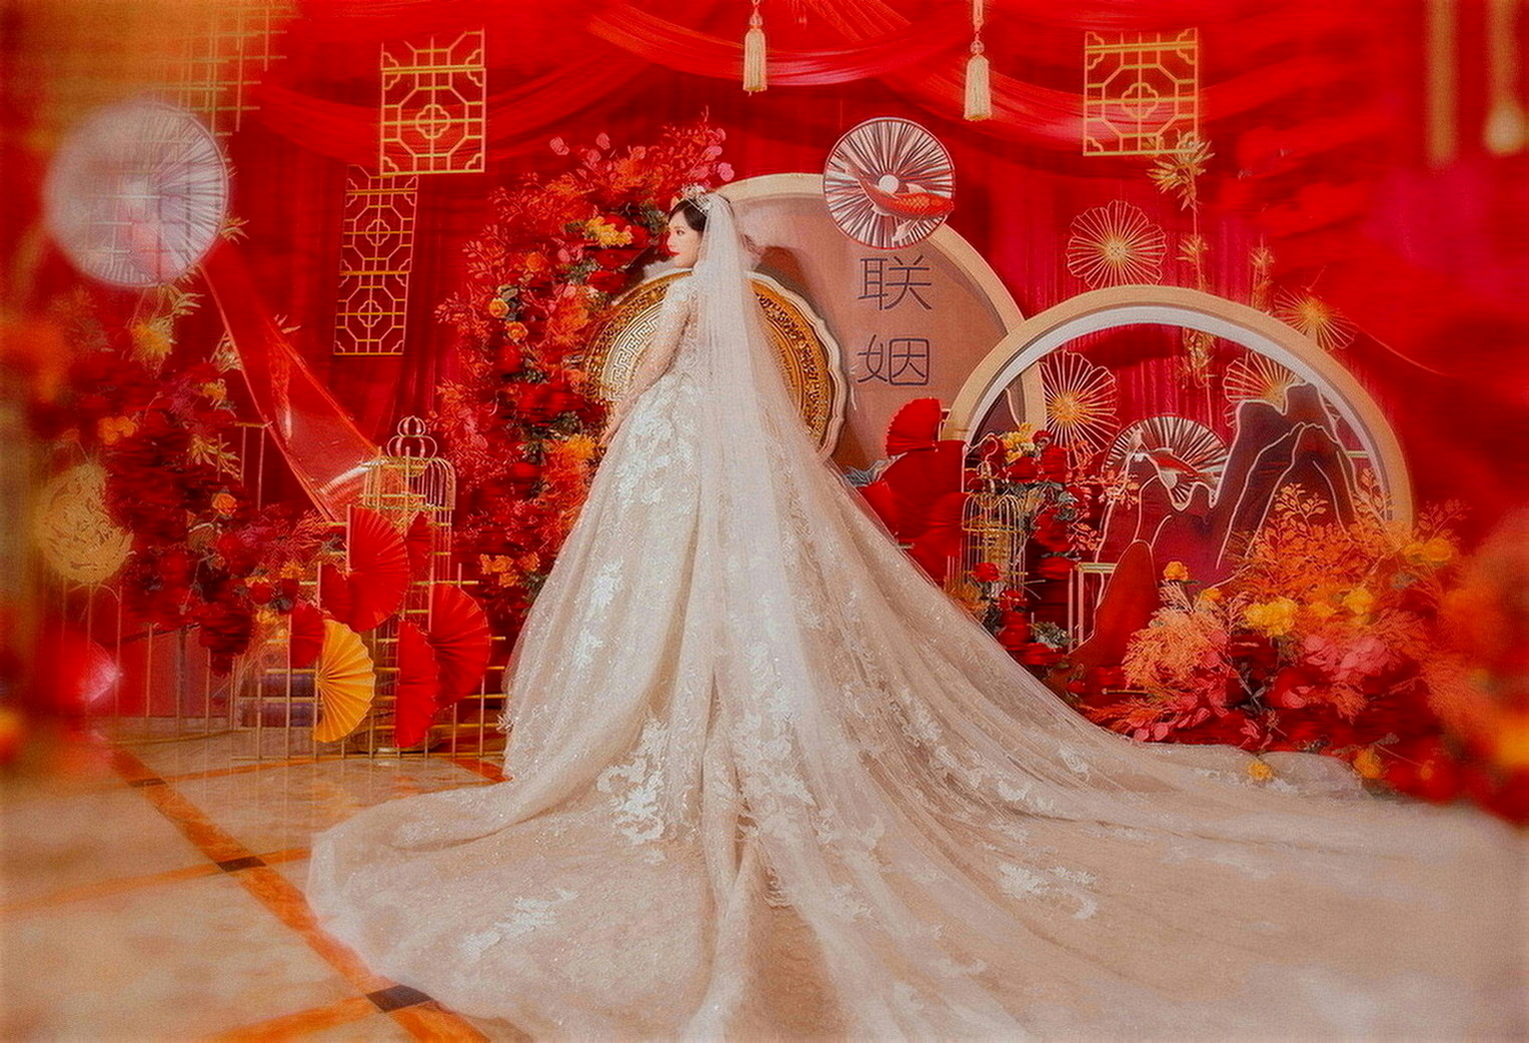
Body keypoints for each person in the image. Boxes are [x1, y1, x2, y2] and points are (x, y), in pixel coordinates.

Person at [307, 191, 1523, 1040]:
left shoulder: (681, 297)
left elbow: (649, 369)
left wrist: (623, 425)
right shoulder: (744, 322)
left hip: (671, 442)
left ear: (690, 239)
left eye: (674, 230)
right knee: (705, 587)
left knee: (670, 584)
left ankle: (684, 724)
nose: (669, 244)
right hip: (712, 449)